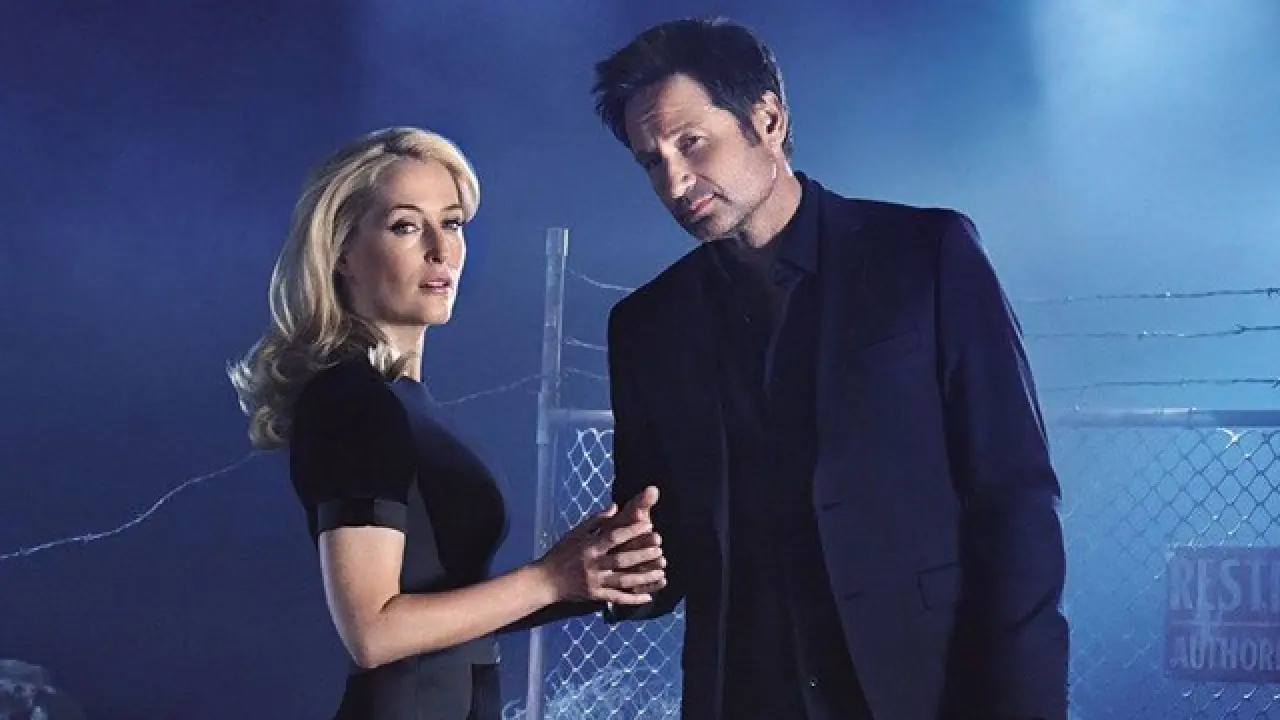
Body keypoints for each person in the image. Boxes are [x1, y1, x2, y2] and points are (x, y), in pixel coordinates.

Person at [591, 17, 1070, 720]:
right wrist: (606, 572)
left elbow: (1014, 497)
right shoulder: (648, 325)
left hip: (927, 692)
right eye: (650, 162)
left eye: (690, 143)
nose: (674, 180)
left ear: (768, 120)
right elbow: (659, 553)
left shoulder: (924, 255)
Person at [227, 127, 665, 720]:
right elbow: (373, 632)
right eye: (406, 226)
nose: (441, 249)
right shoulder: (352, 402)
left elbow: (446, 616)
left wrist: (585, 573)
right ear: (341, 253)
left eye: (452, 223)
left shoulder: (398, 401)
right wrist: (549, 579)